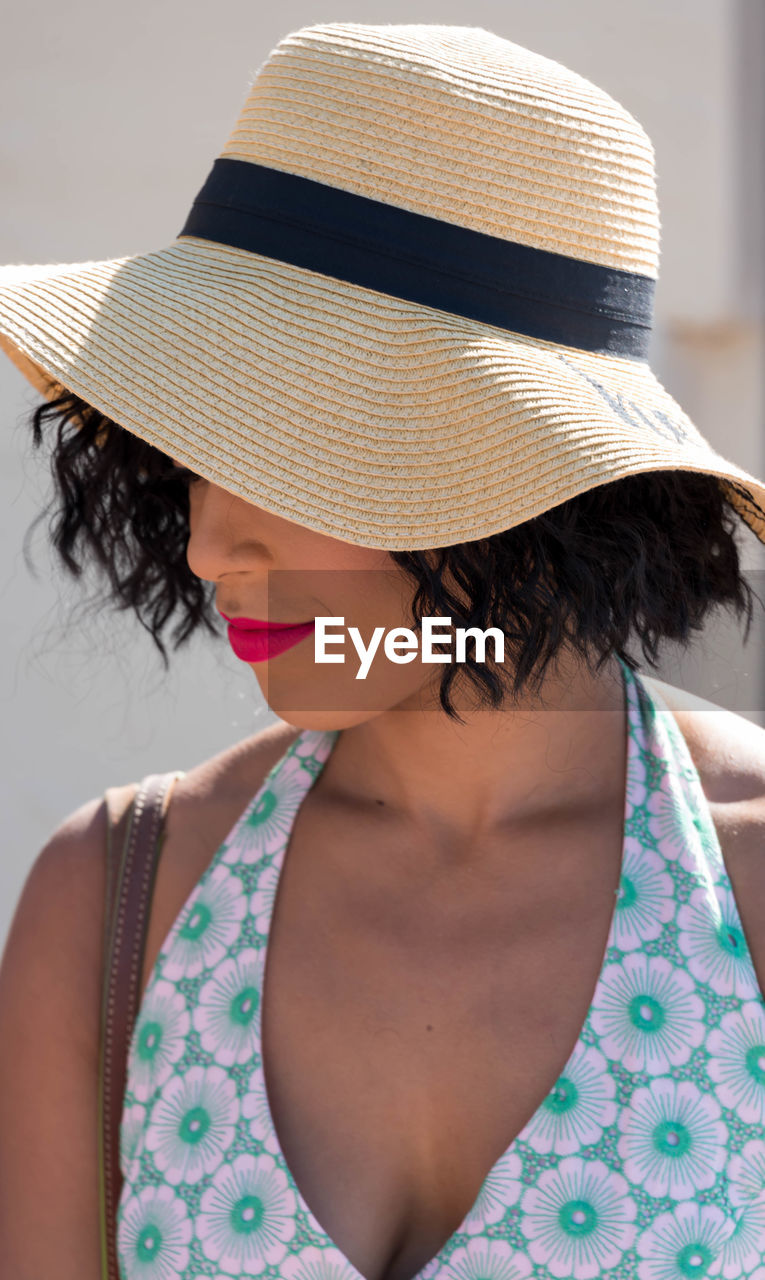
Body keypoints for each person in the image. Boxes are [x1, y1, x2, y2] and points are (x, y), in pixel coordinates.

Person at [1, 20, 765, 1280]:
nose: (206, 544)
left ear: (528, 476)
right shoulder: (114, 901)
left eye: (284, 445)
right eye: (199, 437)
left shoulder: (744, 890)